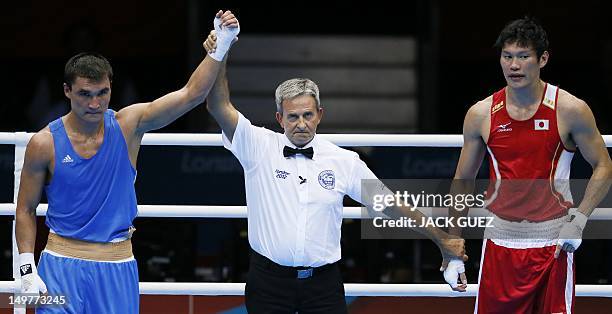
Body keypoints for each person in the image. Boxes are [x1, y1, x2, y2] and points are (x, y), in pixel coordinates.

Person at [204, 32, 468, 313]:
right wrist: (221, 51)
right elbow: (218, 106)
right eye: (293, 116)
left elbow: (389, 204)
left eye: (307, 115)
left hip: (323, 285)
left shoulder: (344, 160)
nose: (301, 124)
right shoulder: (257, 145)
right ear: (280, 118)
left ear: (319, 114)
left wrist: (441, 239)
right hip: (268, 282)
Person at [14, 10, 240, 313]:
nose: (95, 104)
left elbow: (191, 94)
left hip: (117, 264)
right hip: (60, 267)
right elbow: (25, 208)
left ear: (111, 88)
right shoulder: (44, 143)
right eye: (85, 94)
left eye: (102, 93)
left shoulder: (128, 125)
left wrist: (221, 45)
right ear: (67, 91)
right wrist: (27, 268)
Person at [452, 17, 612, 313]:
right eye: (507, 56)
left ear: (543, 59)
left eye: (523, 57)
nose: (514, 66)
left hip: (553, 247)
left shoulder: (570, 109)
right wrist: (452, 246)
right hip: (499, 245)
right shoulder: (481, 114)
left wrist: (580, 219)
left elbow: (603, 165)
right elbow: (463, 179)